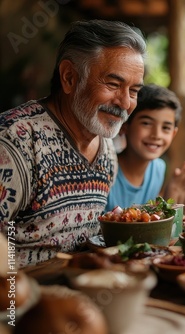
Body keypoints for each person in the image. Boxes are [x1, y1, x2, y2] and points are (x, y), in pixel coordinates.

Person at [0, 19, 147, 267]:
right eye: (113, 84)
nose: (125, 102)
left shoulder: (106, 148)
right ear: (69, 77)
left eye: (133, 91)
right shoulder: (14, 142)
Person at [105, 84, 185, 212]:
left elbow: (149, 222)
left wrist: (179, 190)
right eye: (146, 123)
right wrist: (173, 192)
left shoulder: (158, 168)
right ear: (124, 126)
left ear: (173, 134)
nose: (156, 135)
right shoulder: (105, 172)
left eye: (165, 128)